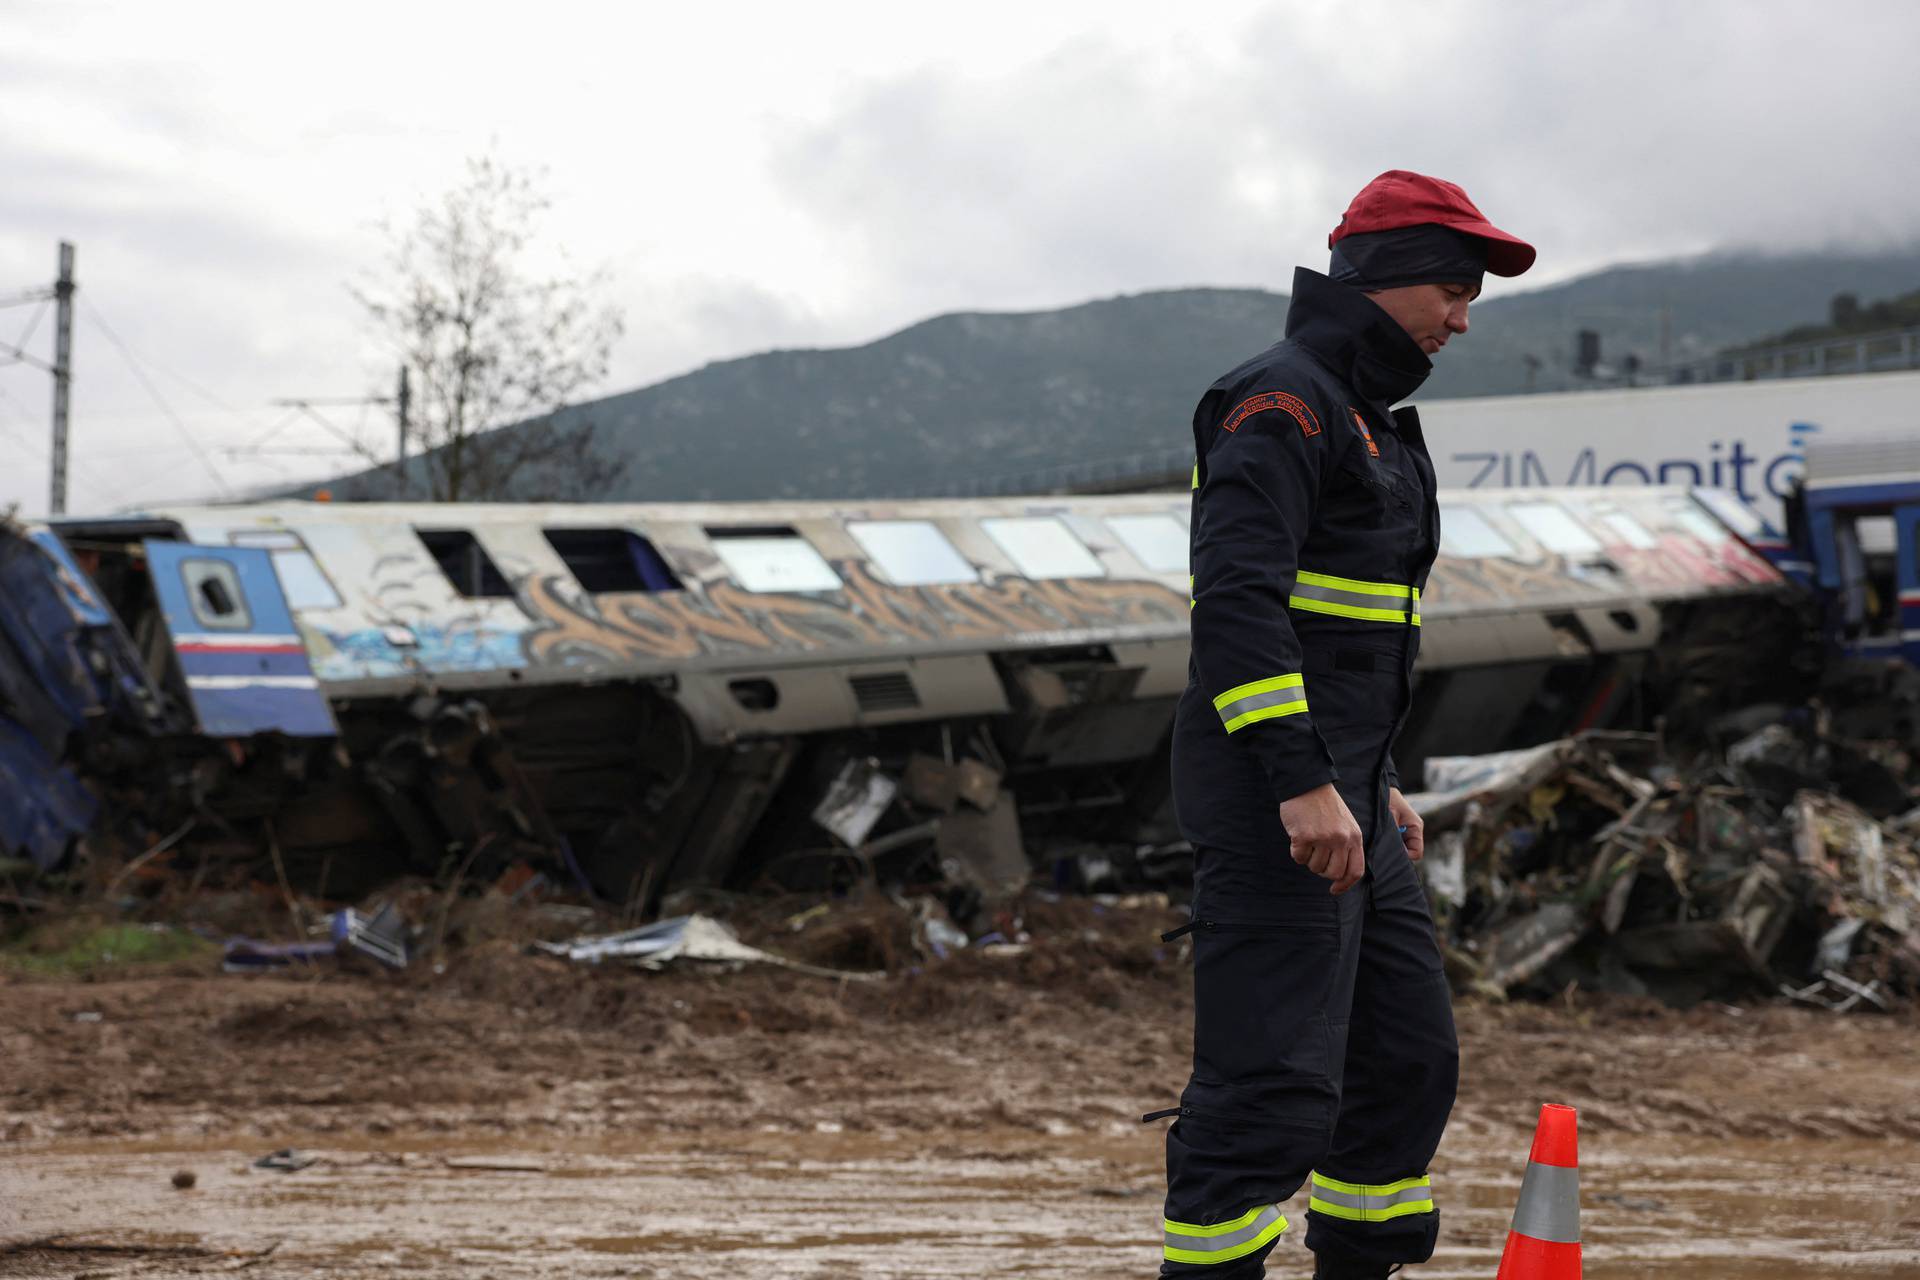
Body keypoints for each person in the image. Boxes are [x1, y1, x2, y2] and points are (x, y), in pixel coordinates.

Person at [1151, 171, 1535, 1279]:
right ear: (1383, 278)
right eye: (1454, 290)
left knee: (1403, 1066)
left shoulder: (1369, 414)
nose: (1463, 318)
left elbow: (1353, 640)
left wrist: (1377, 779)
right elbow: (1237, 606)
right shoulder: (1281, 399)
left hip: (1352, 793)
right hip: (1280, 801)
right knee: (1266, 1096)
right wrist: (1302, 781)